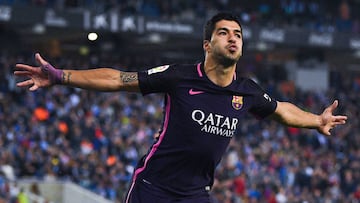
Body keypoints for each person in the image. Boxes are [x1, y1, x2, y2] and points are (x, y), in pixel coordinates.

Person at [14, 12, 347, 203]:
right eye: (223, 33)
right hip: (152, 189)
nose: (233, 39)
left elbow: (283, 111)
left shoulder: (248, 92)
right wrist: (61, 76)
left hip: (196, 195)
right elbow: (118, 79)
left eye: (238, 35)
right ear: (207, 44)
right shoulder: (178, 77)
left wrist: (316, 120)